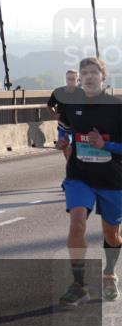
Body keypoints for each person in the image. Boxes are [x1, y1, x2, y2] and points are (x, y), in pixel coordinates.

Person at [53, 57, 122, 307]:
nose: (89, 76)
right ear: (79, 78)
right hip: (79, 176)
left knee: (112, 235)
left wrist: (107, 145)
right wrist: (64, 142)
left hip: (112, 179)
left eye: (94, 72)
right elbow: (65, 131)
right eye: (85, 72)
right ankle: (79, 285)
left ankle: (110, 272)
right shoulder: (71, 105)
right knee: (77, 223)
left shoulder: (117, 107)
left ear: (103, 77)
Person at [48, 69, 80, 160]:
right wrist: (54, 114)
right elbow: (49, 105)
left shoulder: (83, 93)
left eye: (73, 79)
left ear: (78, 80)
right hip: (63, 127)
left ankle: (72, 166)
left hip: (76, 127)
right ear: (66, 79)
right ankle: (69, 164)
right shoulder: (58, 92)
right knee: (65, 147)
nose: (70, 81)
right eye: (68, 79)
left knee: (73, 148)